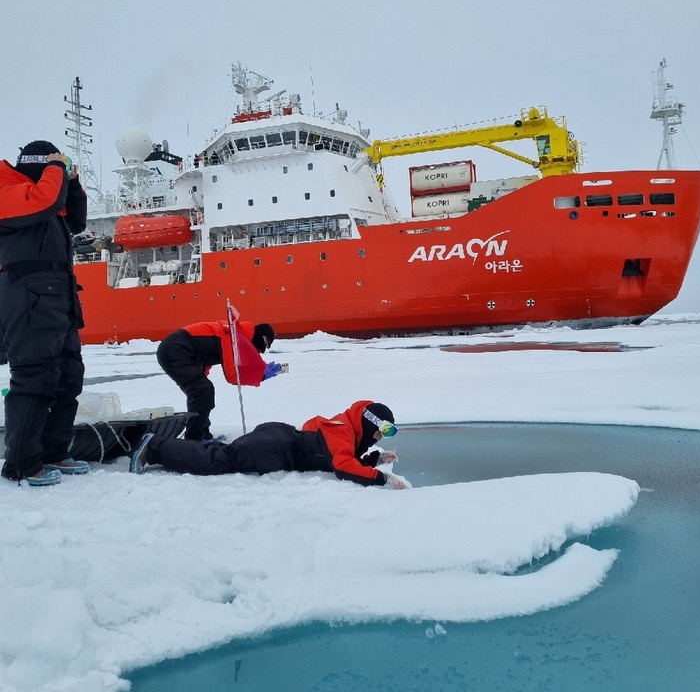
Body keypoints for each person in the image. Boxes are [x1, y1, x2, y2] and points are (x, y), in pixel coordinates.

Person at [0, 141, 89, 486]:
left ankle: (54, 451)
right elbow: (44, 201)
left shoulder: (46, 196)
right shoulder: (8, 190)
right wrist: (57, 169)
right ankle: (21, 463)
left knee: (68, 376)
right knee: (34, 378)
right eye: (55, 165)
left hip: (57, 295)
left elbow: (76, 221)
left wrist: (74, 183)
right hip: (26, 296)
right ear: (39, 165)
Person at [129, 399, 409, 488]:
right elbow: (342, 466)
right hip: (272, 448)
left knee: (221, 454)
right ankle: (154, 448)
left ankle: (157, 446)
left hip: (276, 440)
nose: (379, 437)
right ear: (370, 422)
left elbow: (342, 457)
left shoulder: (343, 429)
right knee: (217, 462)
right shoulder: (341, 432)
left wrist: (374, 459)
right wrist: (379, 479)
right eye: (380, 431)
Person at [156, 318, 282, 441]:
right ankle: (195, 439)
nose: (260, 350)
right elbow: (233, 375)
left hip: (180, 351)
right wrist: (262, 375)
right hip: (175, 350)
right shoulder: (232, 336)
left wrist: (202, 375)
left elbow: (205, 354)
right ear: (260, 335)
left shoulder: (235, 333)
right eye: (264, 343)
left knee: (203, 391)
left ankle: (203, 436)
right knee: (203, 391)